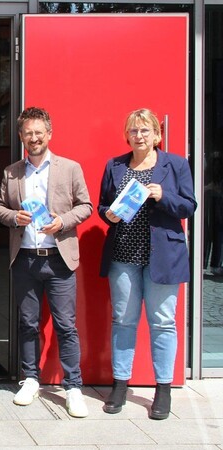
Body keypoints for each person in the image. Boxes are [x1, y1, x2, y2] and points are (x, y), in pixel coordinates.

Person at [0, 107, 92, 418]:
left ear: (49, 134)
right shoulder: (12, 172)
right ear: (21, 137)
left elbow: (86, 205)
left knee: (66, 326)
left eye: (39, 132)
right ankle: (30, 379)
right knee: (27, 324)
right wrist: (13, 217)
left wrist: (62, 221)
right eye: (28, 133)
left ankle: (73, 386)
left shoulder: (69, 168)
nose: (33, 138)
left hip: (59, 259)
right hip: (25, 259)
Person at [98, 108, 196, 420]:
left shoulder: (175, 164)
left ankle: (163, 388)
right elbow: (103, 204)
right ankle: (120, 384)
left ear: (157, 135)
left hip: (163, 257)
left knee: (163, 323)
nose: (139, 136)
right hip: (123, 256)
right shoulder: (115, 165)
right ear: (126, 135)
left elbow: (188, 206)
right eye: (133, 131)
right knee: (123, 321)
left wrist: (162, 195)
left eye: (145, 131)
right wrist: (107, 214)